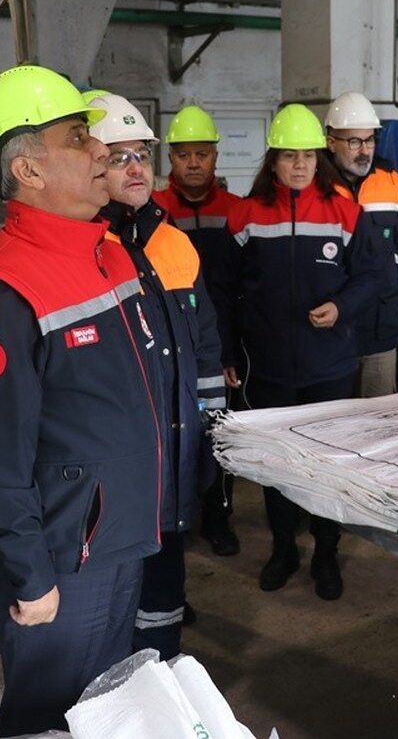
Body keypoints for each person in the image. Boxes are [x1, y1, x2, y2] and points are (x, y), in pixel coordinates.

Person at [0, 66, 163, 734]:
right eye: (78, 139)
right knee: (49, 717)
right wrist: (29, 576)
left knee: (104, 708)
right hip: (62, 557)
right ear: (28, 170)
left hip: (117, 535)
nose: (101, 150)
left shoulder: (110, 255)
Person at [211, 103, 380, 601]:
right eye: (289, 155)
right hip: (266, 366)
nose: (300, 164)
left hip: (329, 366)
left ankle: (326, 553)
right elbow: (222, 290)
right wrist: (227, 353)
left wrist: (341, 307)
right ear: (273, 161)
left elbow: (372, 277)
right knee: (277, 467)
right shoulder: (245, 215)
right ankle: (283, 549)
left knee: (327, 466)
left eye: (307, 155)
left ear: (319, 158)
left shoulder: (345, 211)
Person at [90, 92, 224, 659]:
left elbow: (205, 343)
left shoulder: (174, 242)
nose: (136, 168)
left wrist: (212, 425)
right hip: (118, 458)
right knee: (115, 587)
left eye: (141, 154)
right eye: (118, 157)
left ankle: (162, 666)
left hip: (176, 443)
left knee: (167, 572)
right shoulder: (86, 249)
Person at [152, 104, 243, 557]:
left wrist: (232, 353)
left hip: (221, 345)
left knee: (219, 438)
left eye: (201, 154)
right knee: (175, 436)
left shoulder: (236, 210)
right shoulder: (155, 210)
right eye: (184, 154)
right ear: (171, 158)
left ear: (215, 157)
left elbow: (244, 286)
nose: (193, 163)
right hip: (171, 343)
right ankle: (177, 517)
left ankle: (219, 518)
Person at [323, 91, 398, 397]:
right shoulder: (316, 186)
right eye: (354, 142)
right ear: (331, 142)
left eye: (370, 140)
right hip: (329, 333)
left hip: (379, 330)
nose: (364, 151)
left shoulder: (391, 181)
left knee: (380, 417)